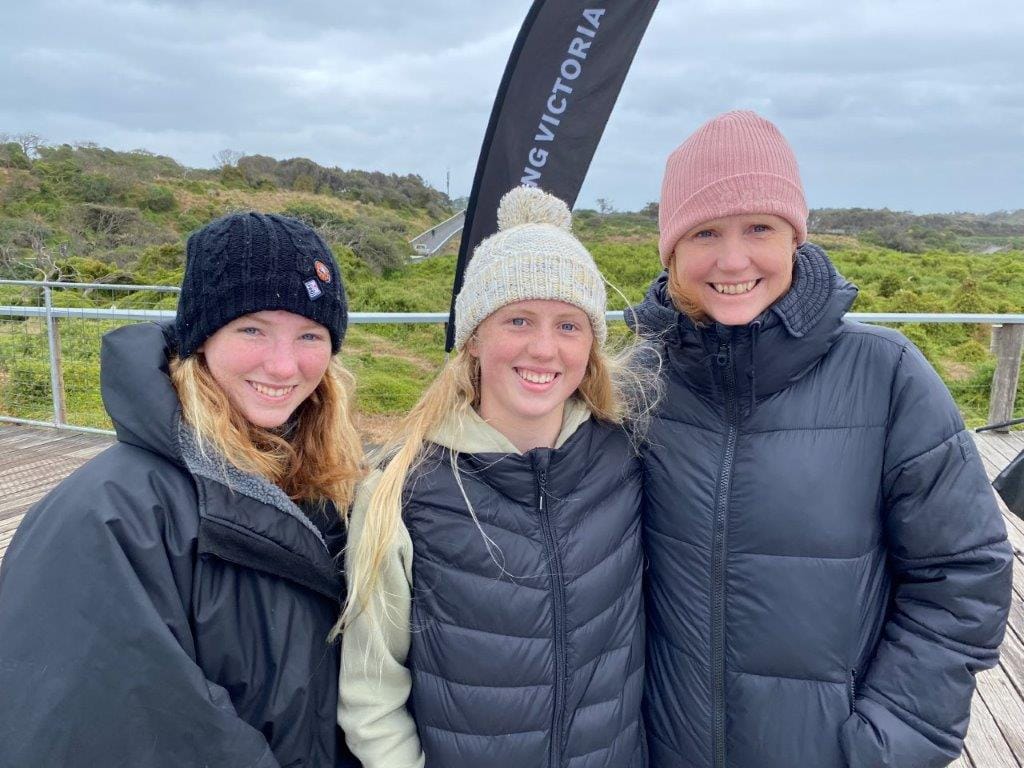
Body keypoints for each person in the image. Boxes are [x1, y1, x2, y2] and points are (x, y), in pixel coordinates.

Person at [630, 110, 1014, 768]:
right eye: (704, 232)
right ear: (671, 250)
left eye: (759, 227)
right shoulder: (635, 381)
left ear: (796, 238)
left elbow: (963, 575)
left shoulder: (887, 374)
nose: (732, 258)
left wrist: (886, 746)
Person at [0, 212, 364, 767]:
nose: (285, 363)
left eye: (310, 335)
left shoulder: (321, 488)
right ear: (200, 337)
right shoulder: (106, 517)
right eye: (252, 329)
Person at [337, 186, 651, 768]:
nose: (543, 347)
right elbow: (370, 696)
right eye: (519, 319)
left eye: (568, 325)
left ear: (592, 344)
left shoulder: (627, 458)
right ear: (474, 337)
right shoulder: (401, 490)